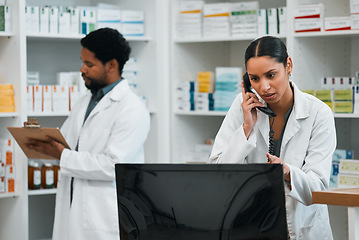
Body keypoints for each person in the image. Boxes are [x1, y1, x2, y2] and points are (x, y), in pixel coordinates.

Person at [26, 28, 150, 240]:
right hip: (74, 207)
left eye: (89, 64)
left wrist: (62, 155)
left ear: (111, 65)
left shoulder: (132, 108)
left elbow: (114, 166)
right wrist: (40, 137)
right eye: (82, 62)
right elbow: (65, 142)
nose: (82, 69)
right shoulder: (84, 102)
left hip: (103, 216)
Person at [209, 36, 336, 239]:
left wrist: (287, 172)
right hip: (253, 227)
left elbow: (317, 187)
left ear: (288, 65)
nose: (264, 87)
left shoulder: (318, 113)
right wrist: (246, 128)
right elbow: (218, 172)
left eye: (271, 75)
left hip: (302, 231)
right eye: (255, 79)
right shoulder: (242, 106)